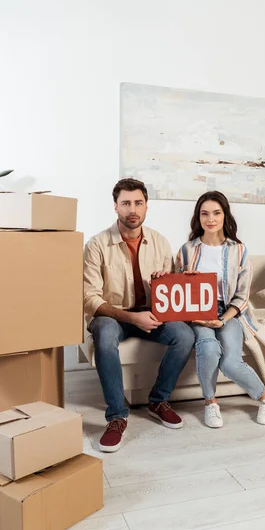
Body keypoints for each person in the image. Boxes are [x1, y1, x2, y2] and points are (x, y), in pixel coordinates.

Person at [84, 178, 195, 452]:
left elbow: (172, 289)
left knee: (184, 335)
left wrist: (168, 278)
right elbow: (89, 299)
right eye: (126, 203)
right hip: (113, 315)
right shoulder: (96, 245)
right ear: (115, 207)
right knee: (105, 332)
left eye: (138, 203)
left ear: (146, 206)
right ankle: (117, 416)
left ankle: (158, 400)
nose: (132, 209)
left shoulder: (160, 242)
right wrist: (133, 318)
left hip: (152, 313)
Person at [176, 190, 265, 429]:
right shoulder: (187, 250)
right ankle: (210, 403)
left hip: (230, 311)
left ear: (224, 215)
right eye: (205, 213)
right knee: (208, 349)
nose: (210, 219)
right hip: (198, 311)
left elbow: (242, 295)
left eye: (216, 213)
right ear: (198, 218)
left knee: (230, 362)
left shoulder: (238, 250)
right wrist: (185, 281)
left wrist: (222, 320)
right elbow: (176, 288)